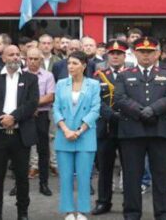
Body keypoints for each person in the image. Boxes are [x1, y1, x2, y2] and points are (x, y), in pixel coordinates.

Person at [114, 36, 166, 220]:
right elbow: (119, 98)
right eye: (142, 51)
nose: (146, 55)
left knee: (161, 176)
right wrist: (141, 111)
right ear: (135, 53)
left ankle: (163, 213)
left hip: (160, 131)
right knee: (132, 176)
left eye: (150, 52)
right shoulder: (124, 74)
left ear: (157, 53)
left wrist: (153, 109)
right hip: (133, 132)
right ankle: (132, 214)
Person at [0, 45, 39, 220]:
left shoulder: (30, 79)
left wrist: (13, 118)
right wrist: (3, 118)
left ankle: (22, 213)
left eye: (18, 54)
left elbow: (32, 104)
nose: (16, 57)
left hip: (20, 135)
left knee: (22, 178)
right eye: (11, 54)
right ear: (3, 58)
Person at [54, 51, 101, 220]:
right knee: (65, 176)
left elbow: (96, 110)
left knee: (83, 176)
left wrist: (80, 130)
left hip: (85, 136)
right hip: (64, 135)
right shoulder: (61, 84)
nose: (70, 66)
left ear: (84, 65)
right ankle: (68, 211)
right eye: (69, 63)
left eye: (74, 63)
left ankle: (82, 210)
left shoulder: (94, 85)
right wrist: (66, 130)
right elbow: (56, 108)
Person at [91, 39, 129, 215]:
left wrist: (124, 115)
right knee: (104, 168)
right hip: (105, 127)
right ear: (107, 55)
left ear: (124, 55)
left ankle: (129, 203)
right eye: (112, 53)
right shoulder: (99, 75)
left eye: (119, 53)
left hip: (127, 127)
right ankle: (103, 202)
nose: (115, 56)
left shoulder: (132, 74)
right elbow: (95, 99)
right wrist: (111, 115)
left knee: (130, 168)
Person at [24, 47, 56, 196]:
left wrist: (32, 105)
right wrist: (30, 107)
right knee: (22, 151)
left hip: (42, 116)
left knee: (43, 151)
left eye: (36, 59)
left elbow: (50, 96)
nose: (33, 61)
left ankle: (44, 183)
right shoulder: (20, 74)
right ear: (26, 59)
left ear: (41, 60)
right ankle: (19, 184)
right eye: (30, 58)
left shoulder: (48, 76)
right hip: (24, 116)